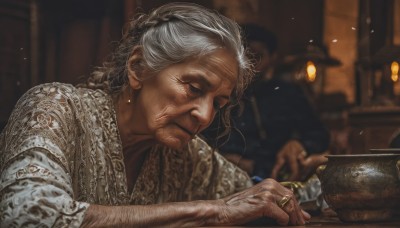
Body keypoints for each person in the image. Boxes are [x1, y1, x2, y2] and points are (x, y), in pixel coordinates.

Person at [0, 3, 310, 227]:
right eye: (194, 88)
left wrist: (326, 174)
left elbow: (253, 198)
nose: (204, 116)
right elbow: (27, 214)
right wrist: (210, 211)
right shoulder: (55, 108)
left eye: (218, 103)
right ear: (138, 68)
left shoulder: (187, 157)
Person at [203, 23, 330, 181]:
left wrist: (298, 144)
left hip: (280, 176)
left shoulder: (287, 93)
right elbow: (202, 138)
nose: (250, 63)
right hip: (225, 176)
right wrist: (224, 158)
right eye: (245, 55)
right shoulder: (223, 92)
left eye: (258, 55)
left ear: (272, 57)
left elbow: (319, 134)